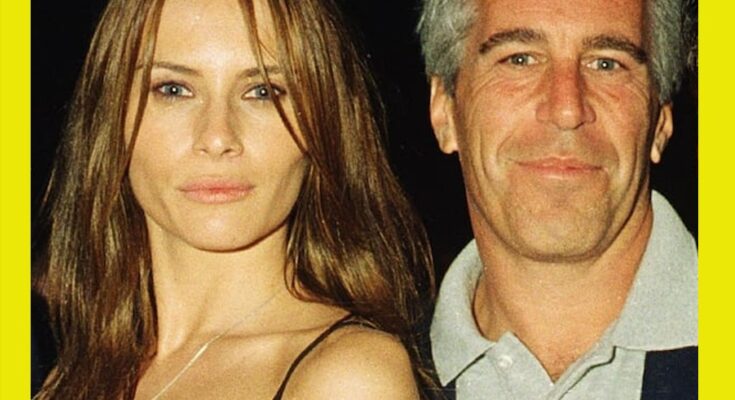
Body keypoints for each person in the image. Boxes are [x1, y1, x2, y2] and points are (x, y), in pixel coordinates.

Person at [33, 0, 436, 398]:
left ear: (322, 124)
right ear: (111, 117)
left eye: (263, 92)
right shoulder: (74, 377)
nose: (217, 137)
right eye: (174, 90)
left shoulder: (349, 379)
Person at [417, 0, 697, 398]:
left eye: (606, 64)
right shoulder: (370, 374)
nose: (567, 110)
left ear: (660, 124)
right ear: (445, 111)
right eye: (519, 59)